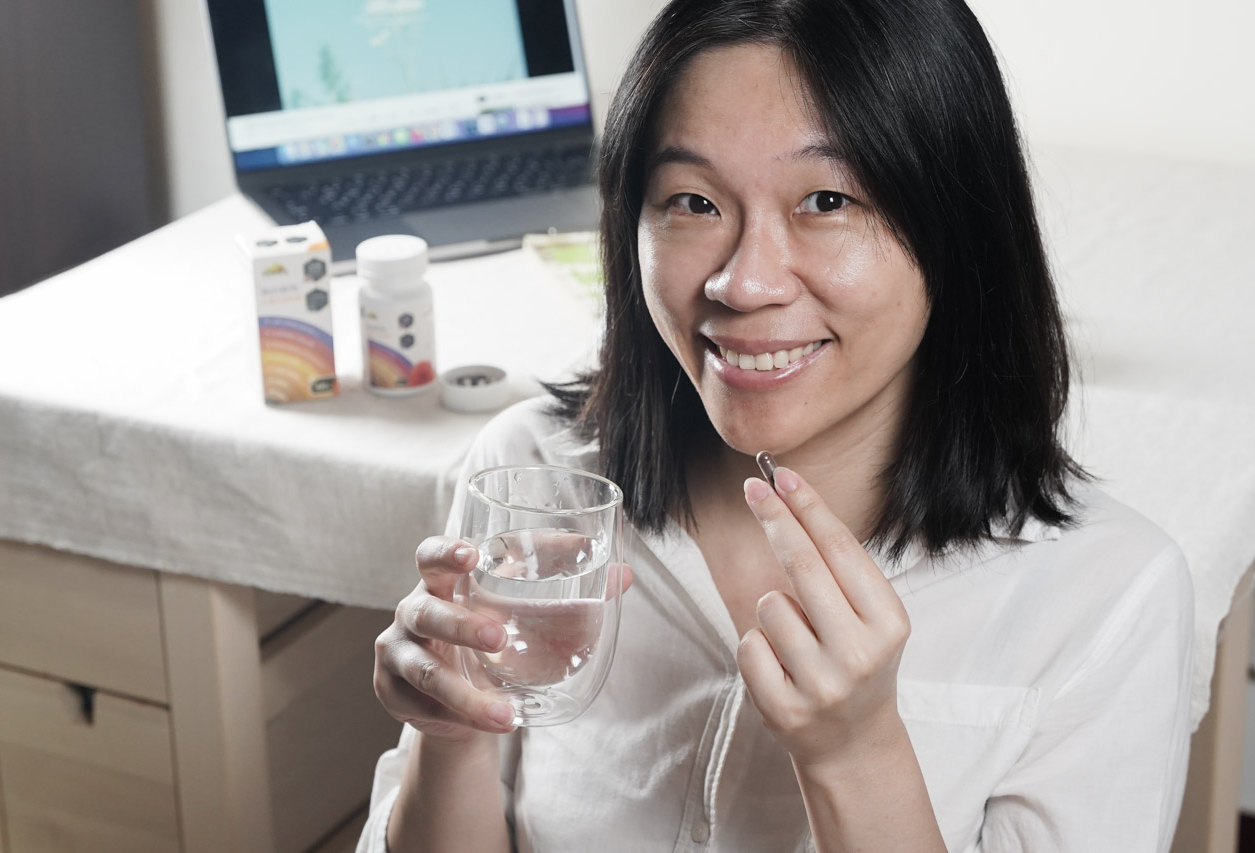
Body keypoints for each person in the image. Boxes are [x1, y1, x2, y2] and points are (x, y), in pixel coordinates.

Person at [360, 0, 1193, 850]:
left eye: (826, 200)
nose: (745, 283)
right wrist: (451, 731)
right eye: (692, 201)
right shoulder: (533, 480)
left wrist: (857, 755)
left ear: (959, 231)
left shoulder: (1109, 597)